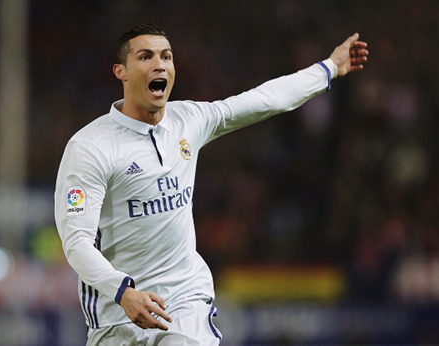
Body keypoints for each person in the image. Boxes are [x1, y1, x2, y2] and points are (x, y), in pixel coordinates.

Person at [54, 24, 368, 345]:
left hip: (184, 300)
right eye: (145, 57)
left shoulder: (188, 120)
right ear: (120, 71)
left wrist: (328, 68)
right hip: (115, 314)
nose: (159, 64)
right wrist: (123, 292)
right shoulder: (90, 147)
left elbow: (262, 100)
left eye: (166, 56)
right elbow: (76, 241)